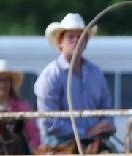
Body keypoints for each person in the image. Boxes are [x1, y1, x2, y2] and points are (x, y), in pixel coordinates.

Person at [34, 12, 115, 146]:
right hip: (60, 144)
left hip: (95, 141)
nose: (76, 40)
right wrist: (86, 132)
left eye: (81, 37)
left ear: (86, 43)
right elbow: (48, 121)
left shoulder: (96, 73)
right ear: (60, 42)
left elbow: (106, 109)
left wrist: (107, 125)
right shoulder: (50, 75)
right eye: (71, 37)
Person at [0, 59, 40, 148]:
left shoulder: (23, 107)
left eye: (6, 80)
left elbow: (34, 136)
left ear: (11, 83)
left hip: (19, 155)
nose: (3, 84)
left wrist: (26, 150)